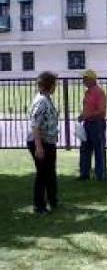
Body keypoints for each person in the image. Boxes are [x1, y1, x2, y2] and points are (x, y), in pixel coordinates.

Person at [27, 72, 59, 215]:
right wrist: (39, 147)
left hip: (49, 142)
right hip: (41, 142)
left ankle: (53, 200)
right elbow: (35, 125)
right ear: (50, 85)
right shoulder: (41, 101)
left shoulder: (47, 99)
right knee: (42, 174)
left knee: (50, 173)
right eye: (55, 84)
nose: (56, 86)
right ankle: (39, 206)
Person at [78, 69, 107, 181]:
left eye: (85, 78)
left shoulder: (99, 92)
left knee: (99, 150)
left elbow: (101, 111)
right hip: (87, 124)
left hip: (97, 124)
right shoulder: (87, 92)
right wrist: (82, 115)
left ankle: (101, 175)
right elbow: (88, 109)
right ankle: (84, 174)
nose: (83, 81)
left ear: (91, 79)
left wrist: (87, 115)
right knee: (85, 149)